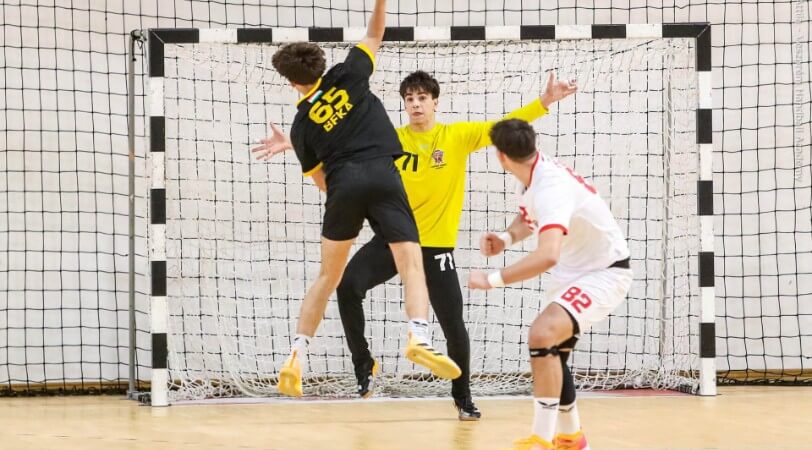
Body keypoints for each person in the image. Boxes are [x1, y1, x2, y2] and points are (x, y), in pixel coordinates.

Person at [335, 70, 577, 420]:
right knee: (347, 287)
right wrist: (300, 145)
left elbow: (504, 126)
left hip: (436, 248)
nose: (416, 104)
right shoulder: (390, 139)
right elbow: (345, 147)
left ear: (435, 102)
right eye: (409, 99)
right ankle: (363, 364)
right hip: (394, 240)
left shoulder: (456, 136)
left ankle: (462, 396)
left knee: (453, 325)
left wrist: (544, 101)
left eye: (422, 98)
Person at [251, 0, 460, 398]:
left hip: (343, 187)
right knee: (411, 262)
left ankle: (296, 354)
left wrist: (349, 198)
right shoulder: (348, 73)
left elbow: (323, 184)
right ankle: (418, 336)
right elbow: (375, 32)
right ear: (321, 64)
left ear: (293, 82)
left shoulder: (300, 127)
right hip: (384, 176)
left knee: (328, 277)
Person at [468, 119, 633, 449]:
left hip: (605, 272)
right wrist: (506, 238)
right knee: (554, 353)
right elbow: (531, 216)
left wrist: (491, 280)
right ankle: (571, 438)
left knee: (542, 334)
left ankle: (541, 440)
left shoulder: (550, 187)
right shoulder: (535, 172)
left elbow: (547, 255)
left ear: (500, 156)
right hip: (575, 272)